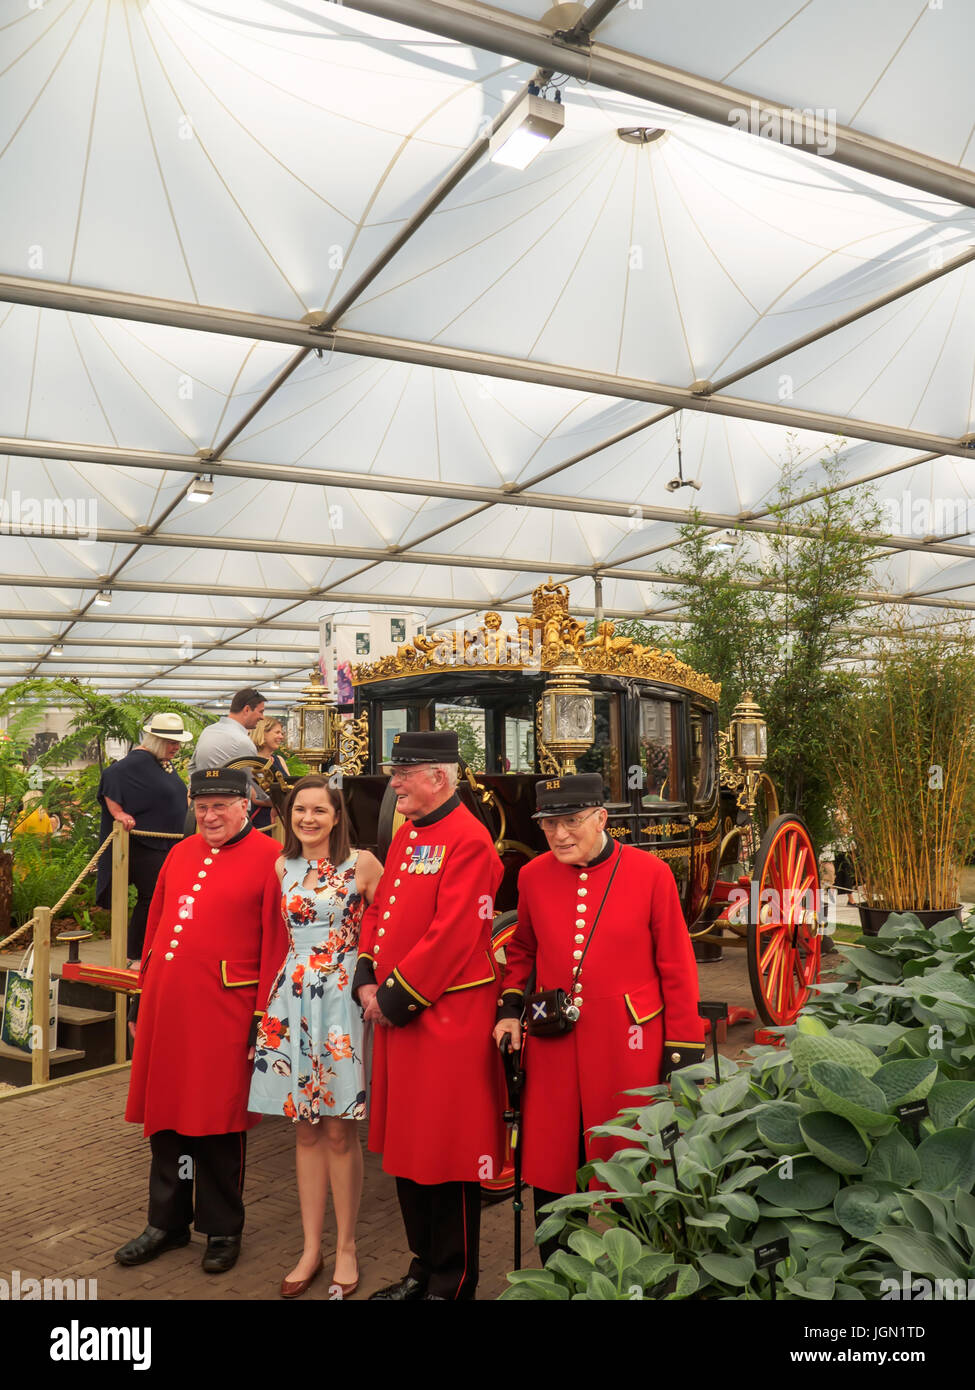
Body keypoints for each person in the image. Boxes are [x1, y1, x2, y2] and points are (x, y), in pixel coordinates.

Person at [493, 773, 705, 1262]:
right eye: (549, 825)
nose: (560, 835)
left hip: (629, 1043)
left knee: (628, 1162)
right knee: (550, 1162)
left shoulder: (650, 873)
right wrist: (509, 1008)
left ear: (601, 818)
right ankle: (558, 1273)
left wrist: (682, 1049)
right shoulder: (532, 875)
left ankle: (634, 1270)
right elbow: (522, 950)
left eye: (571, 821)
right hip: (554, 1042)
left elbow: (675, 965)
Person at [352, 731, 505, 1301]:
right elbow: (381, 914)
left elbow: (454, 934)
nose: (393, 783)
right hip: (401, 1014)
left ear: (438, 778)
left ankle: (454, 1281)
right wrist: (366, 975)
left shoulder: (470, 841)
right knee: (409, 1149)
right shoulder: (408, 835)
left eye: (403, 773)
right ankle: (423, 1267)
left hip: (444, 1019)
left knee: (449, 1151)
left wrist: (393, 999)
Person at [115, 768, 286, 1275]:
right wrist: (141, 998)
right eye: (202, 805)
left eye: (220, 806)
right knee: (167, 1118)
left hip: (227, 1013)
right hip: (169, 1010)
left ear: (246, 806)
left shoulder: (272, 860)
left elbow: (277, 945)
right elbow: (155, 928)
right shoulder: (181, 852)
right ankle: (166, 1222)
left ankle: (222, 1227)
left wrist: (262, 1019)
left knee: (217, 1122)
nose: (209, 816)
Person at [248, 775, 382, 1298]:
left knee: (337, 1130)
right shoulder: (281, 866)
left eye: (318, 810)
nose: (308, 819)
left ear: (336, 816)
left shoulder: (363, 864)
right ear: (287, 815)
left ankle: (346, 1245)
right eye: (298, 810)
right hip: (291, 996)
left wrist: (375, 986)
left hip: (342, 1000)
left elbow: (388, 926)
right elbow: (269, 937)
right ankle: (310, 1246)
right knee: (304, 1128)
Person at [96, 714, 193, 961]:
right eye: (172, 742)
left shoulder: (161, 761)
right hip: (146, 844)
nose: (176, 747)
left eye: (178, 742)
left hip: (167, 841)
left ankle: (151, 945)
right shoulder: (136, 761)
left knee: (162, 896)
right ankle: (135, 951)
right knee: (150, 896)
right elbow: (110, 777)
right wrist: (118, 812)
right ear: (157, 740)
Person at [249, 717, 289, 832]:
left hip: (283, 820)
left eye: (281, 733)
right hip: (262, 821)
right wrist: (286, 803)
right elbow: (256, 797)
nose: (281, 737)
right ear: (263, 733)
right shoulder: (251, 761)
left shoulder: (279, 760)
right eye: (277, 732)